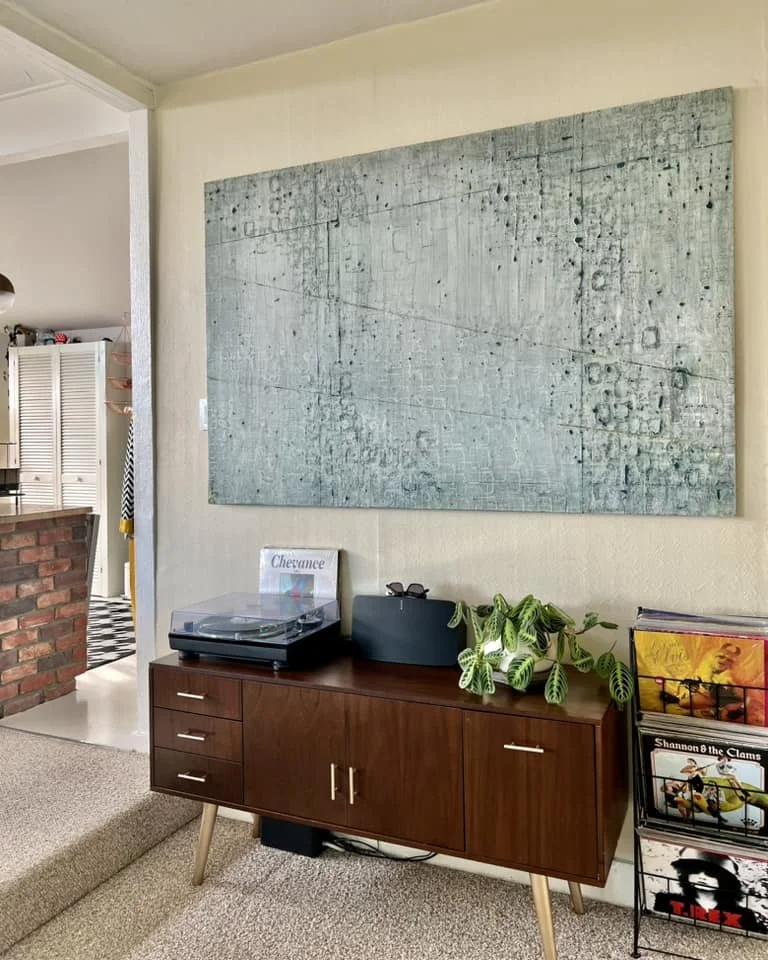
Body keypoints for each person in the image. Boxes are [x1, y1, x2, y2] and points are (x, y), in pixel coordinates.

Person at [653, 846, 767, 934]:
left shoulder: (744, 916)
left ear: (724, 880)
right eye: (696, 870)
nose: (702, 876)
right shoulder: (666, 901)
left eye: (711, 873)